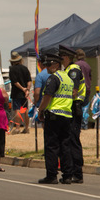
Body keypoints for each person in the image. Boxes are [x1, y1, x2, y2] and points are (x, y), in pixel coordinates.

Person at [37, 50, 74, 184]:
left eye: (49, 65)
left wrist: (40, 111)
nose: (46, 68)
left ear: (57, 65)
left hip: (53, 115)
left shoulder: (53, 78)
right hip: (67, 116)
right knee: (65, 145)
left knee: (51, 146)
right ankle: (68, 175)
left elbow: (47, 97)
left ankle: (51, 175)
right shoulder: (68, 78)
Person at [60, 45, 85, 184]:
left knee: (73, 141)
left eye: (62, 57)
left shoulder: (73, 70)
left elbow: (73, 91)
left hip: (74, 107)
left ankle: (77, 172)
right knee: (68, 140)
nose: (60, 59)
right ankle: (71, 171)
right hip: (70, 108)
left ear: (67, 57)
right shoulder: (68, 69)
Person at [8, 51, 32, 134]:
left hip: (16, 92)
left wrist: (22, 89)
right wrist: (27, 90)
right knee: (25, 110)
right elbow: (29, 81)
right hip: (25, 93)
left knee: (17, 110)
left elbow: (15, 82)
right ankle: (26, 127)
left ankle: (17, 128)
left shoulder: (12, 69)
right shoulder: (25, 68)